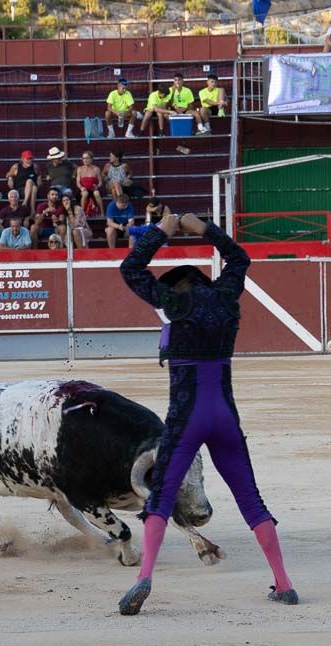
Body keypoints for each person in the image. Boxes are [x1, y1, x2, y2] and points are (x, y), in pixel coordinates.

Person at [115, 213, 296, 615]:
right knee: (251, 499)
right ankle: (283, 583)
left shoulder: (173, 303)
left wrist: (163, 230)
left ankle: (143, 577)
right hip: (225, 416)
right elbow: (239, 259)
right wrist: (205, 231)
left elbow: (130, 267)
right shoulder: (227, 297)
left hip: (187, 416)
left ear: (175, 287)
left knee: (161, 498)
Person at [76, 150, 103, 217]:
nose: (85, 160)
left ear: (91, 159)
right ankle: (82, 213)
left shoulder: (96, 169)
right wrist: (81, 187)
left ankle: (102, 212)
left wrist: (97, 186)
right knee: (85, 193)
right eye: (83, 158)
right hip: (84, 190)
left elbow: (100, 182)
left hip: (93, 189)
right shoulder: (80, 169)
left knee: (96, 193)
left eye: (87, 158)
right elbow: (78, 182)